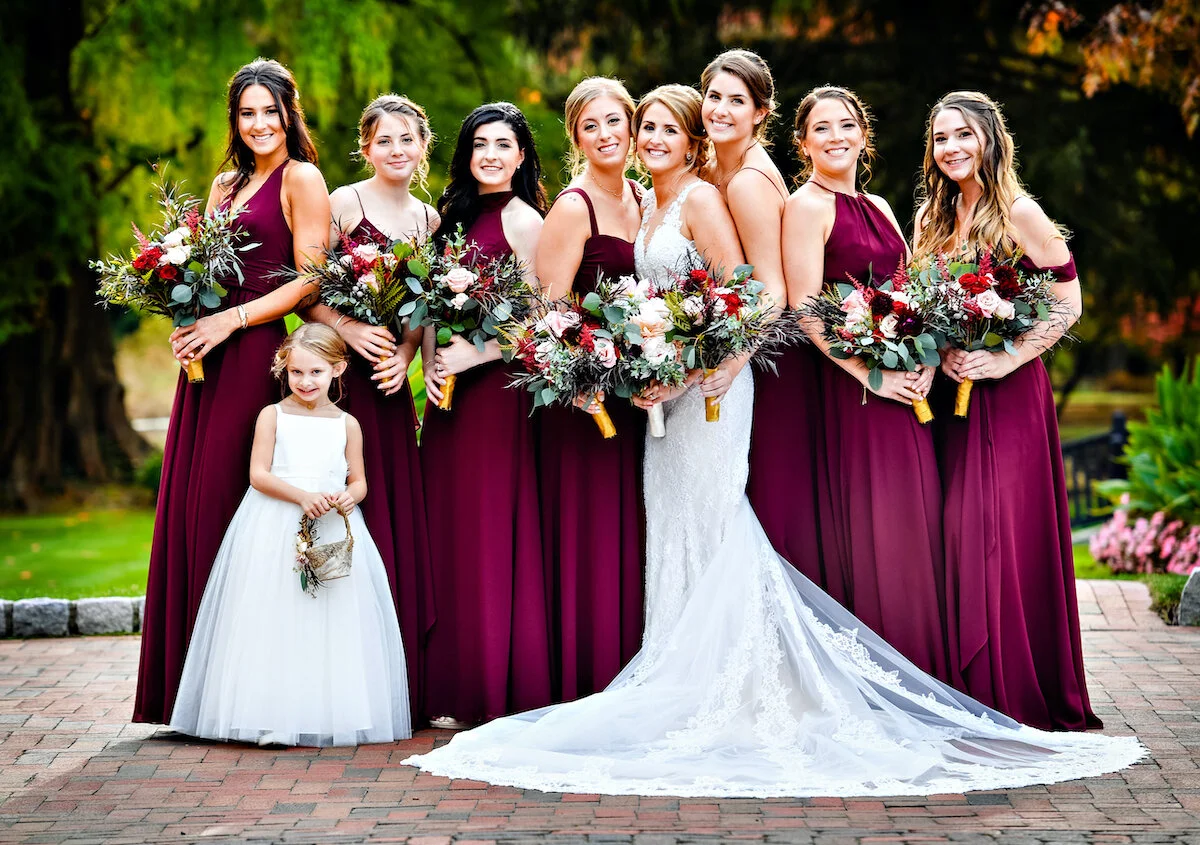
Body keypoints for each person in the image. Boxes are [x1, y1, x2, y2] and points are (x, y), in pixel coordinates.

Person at [401, 84, 1143, 799]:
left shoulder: (702, 198)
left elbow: (753, 295)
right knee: (680, 522)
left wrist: (711, 363)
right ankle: (685, 672)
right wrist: (646, 365)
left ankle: (730, 680)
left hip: (717, 390)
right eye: (642, 126)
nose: (647, 138)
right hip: (680, 389)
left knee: (716, 520)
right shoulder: (662, 199)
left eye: (660, 126)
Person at [134, 58, 332, 724]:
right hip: (208, 360)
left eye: (268, 110)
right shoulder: (224, 184)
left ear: (288, 111)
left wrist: (232, 319)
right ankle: (194, 688)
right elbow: (205, 269)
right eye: (246, 112)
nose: (258, 124)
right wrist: (186, 316)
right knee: (194, 505)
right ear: (234, 119)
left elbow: (309, 280)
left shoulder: (301, 178)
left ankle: (252, 689)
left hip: (254, 352)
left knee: (233, 501)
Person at [915, 90, 1099, 731]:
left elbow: (1067, 302)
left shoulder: (1019, 212)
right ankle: (966, 685)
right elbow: (924, 311)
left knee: (993, 534)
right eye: (941, 138)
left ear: (991, 139)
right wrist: (939, 357)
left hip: (1008, 396)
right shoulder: (933, 220)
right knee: (954, 533)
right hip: (952, 399)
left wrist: (1006, 359)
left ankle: (1010, 689)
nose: (952, 149)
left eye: (964, 135)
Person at [169, 323, 410, 746]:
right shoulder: (273, 416)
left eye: (316, 372)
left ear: (338, 369)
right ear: (284, 369)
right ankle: (271, 717)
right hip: (273, 524)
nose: (306, 381)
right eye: (296, 372)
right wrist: (301, 496)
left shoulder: (348, 424)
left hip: (331, 529)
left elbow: (360, 480)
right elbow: (258, 475)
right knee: (274, 618)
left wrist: (348, 498)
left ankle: (325, 712)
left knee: (329, 620)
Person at [782, 86, 948, 679]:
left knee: (914, 520)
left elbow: (907, 291)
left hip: (905, 381)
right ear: (802, 143)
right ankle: (884, 673)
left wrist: (925, 355)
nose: (836, 137)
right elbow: (804, 308)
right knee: (881, 523)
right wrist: (870, 377)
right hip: (855, 389)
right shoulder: (806, 206)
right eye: (821, 128)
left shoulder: (878, 203)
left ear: (863, 134)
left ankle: (923, 665)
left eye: (846, 125)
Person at [305, 95, 437, 724]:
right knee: (339, 503)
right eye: (385, 141)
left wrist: (405, 355)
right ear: (366, 148)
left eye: (408, 139)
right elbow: (308, 293)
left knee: (386, 506)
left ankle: (391, 674)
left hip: (386, 386)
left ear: (423, 146)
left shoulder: (430, 219)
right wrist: (350, 331)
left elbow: (423, 309)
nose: (397, 150)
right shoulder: (343, 204)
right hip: (340, 376)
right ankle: (327, 669)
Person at [420, 102, 552, 727]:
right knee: (445, 526)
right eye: (479, 144)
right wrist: (431, 363)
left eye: (504, 144)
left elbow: (540, 317)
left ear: (523, 156)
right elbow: (429, 304)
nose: (491, 155)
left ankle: (493, 686)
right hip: (448, 397)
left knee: (487, 528)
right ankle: (446, 680)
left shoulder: (527, 222)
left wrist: (473, 357)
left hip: (498, 391)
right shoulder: (452, 218)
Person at [534, 78, 646, 701]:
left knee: (631, 531)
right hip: (582, 399)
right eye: (591, 126)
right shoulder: (575, 207)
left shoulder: (644, 197)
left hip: (636, 393)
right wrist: (579, 380)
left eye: (615, 122)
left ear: (631, 126)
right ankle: (586, 675)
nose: (606, 136)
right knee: (591, 537)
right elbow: (544, 311)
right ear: (576, 137)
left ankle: (630, 669)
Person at [700, 50, 829, 589]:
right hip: (742, 346)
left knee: (764, 500)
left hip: (773, 358)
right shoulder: (712, 167)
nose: (722, 110)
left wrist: (734, 361)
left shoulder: (749, 182)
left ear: (761, 112)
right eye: (714, 97)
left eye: (738, 101)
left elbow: (772, 292)